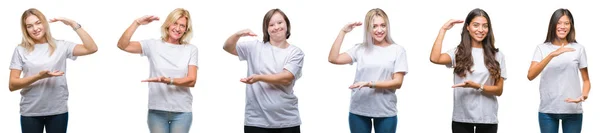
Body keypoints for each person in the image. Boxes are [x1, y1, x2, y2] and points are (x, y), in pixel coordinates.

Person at [8, 8, 98, 133]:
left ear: (44, 23)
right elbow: (12, 85)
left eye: (38, 23)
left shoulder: (61, 46)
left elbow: (92, 48)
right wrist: (38, 77)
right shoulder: (20, 50)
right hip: (31, 111)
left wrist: (73, 24)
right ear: (26, 30)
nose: (35, 28)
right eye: (30, 26)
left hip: (58, 111)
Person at [222, 8, 304, 133]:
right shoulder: (254, 47)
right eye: (271, 25)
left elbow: (286, 77)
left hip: (287, 121)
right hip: (256, 122)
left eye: (280, 22)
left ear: (287, 24)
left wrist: (259, 77)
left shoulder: (295, 52)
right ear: (266, 29)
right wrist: (238, 34)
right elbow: (227, 47)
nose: (276, 27)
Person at [116, 8, 198, 133]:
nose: (178, 28)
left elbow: (191, 81)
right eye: (175, 23)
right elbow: (123, 45)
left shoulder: (191, 49)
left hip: (182, 112)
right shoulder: (152, 45)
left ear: (186, 29)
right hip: (157, 111)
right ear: (168, 24)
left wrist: (168, 80)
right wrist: (136, 23)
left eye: (182, 26)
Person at [327, 8, 407, 133]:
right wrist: (343, 32)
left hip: (385, 111)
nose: (379, 30)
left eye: (383, 25)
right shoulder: (360, 49)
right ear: (368, 29)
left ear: (387, 27)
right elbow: (333, 58)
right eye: (374, 26)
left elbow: (398, 82)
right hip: (359, 109)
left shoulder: (397, 50)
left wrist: (370, 84)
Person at [429, 8, 506, 133]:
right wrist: (443, 30)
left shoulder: (497, 55)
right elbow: (435, 58)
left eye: (485, 26)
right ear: (467, 27)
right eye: (476, 25)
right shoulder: (458, 53)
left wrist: (478, 86)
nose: (480, 30)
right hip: (461, 118)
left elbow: (499, 90)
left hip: (487, 118)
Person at [526, 8, 590, 133]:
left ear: (571, 26)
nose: (563, 26)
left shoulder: (579, 49)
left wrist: (584, 96)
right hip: (548, 111)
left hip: (573, 111)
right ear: (553, 24)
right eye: (559, 23)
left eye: (567, 23)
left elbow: (586, 80)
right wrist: (552, 55)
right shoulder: (542, 48)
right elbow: (530, 75)